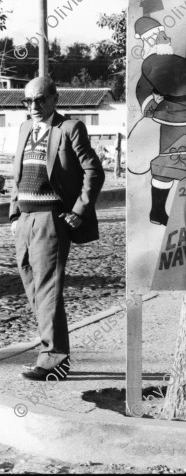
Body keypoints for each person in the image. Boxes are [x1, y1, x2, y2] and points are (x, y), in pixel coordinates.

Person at [10, 77, 105, 381]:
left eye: (40, 100)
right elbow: (18, 173)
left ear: (54, 99)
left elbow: (94, 171)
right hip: (24, 219)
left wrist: (79, 210)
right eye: (28, 101)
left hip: (51, 219)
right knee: (32, 287)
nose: (34, 106)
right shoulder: (25, 128)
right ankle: (52, 349)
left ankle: (54, 359)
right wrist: (14, 215)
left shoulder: (69, 128)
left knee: (48, 288)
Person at [134, 15, 186, 226]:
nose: (165, 37)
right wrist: (150, 104)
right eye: (160, 35)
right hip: (173, 125)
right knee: (169, 168)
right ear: (149, 40)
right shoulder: (153, 62)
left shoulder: (167, 60)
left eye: (164, 34)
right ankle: (159, 212)